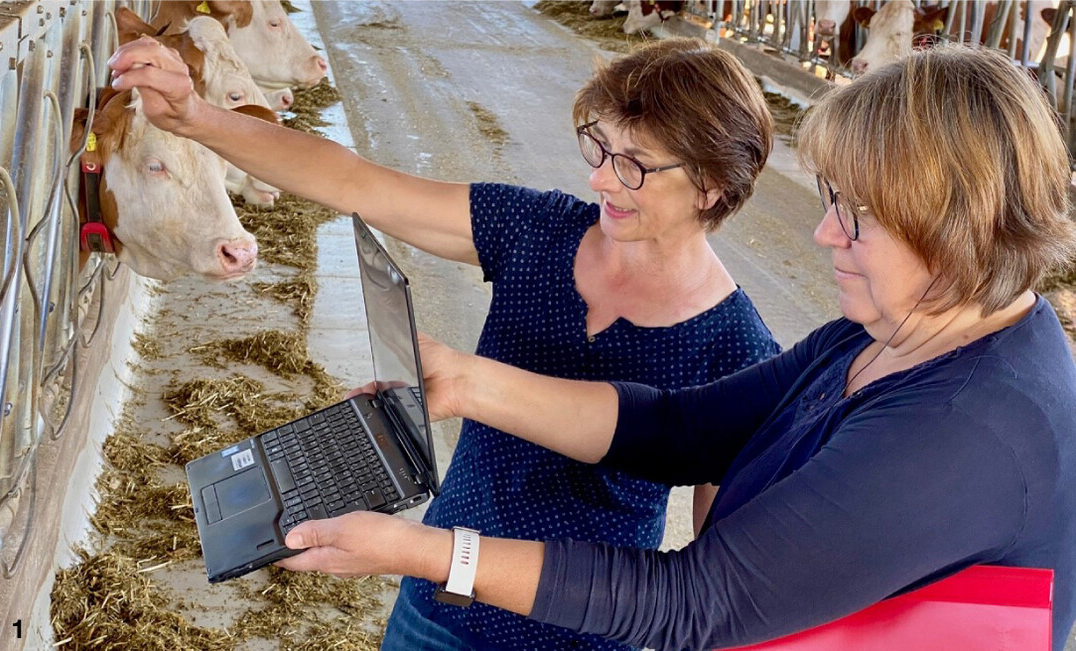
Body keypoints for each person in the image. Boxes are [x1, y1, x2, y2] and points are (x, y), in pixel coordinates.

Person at [264, 44, 1076, 650]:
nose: (825, 231)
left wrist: (424, 551)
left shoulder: (971, 428)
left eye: (857, 215)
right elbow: (679, 430)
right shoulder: (893, 332)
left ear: (959, 228)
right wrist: (466, 382)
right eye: (833, 200)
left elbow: (697, 600)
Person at [108, 37, 781, 649]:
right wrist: (196, 118)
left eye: (634, 165)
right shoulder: (541, 230)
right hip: (432, 607)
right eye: (599, 147)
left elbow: (714, 574)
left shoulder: (737, 352)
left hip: (573, 638)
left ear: (712, 184)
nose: (600, 178)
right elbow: (353, 181)